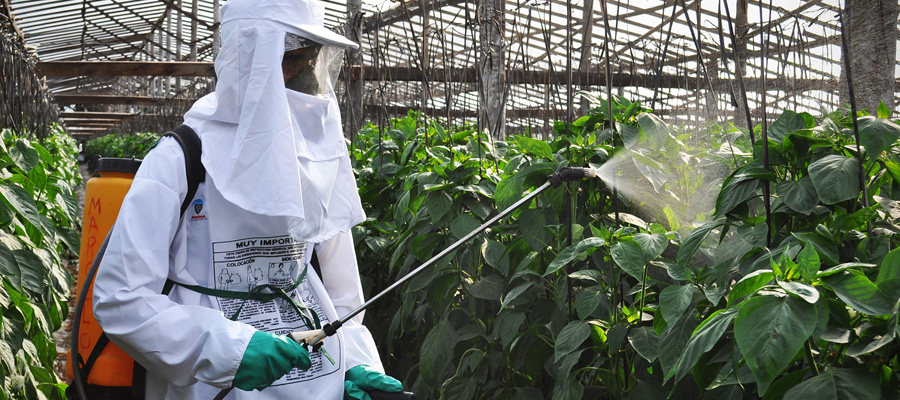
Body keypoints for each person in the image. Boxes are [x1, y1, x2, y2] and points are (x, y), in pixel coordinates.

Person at [92, 0, 403, 398]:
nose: (309, 75)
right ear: (252, 59)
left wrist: (356, 361)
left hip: (314, 381)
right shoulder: (181, 159)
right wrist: (229, 350)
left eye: (313, 59)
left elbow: (340, 292)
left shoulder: (314, 157)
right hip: (214, 386)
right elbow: (122, 298)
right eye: (295, 59)